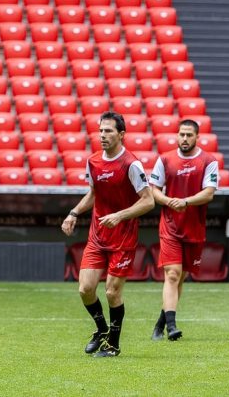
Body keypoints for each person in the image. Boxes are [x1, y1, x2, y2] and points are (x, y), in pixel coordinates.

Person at [61, 111, 155, 357]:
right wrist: (73, 213)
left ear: (121, 134)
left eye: (108, 131)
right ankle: (101, 329)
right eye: (101, 130)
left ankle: (113, 344)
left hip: (123, 238)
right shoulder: (93, 161)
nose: (102, 135)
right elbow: (93, 195)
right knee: (85, 289)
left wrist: (119, 215)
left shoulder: (131, 164)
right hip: (97, 236)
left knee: (113, 292)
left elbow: (148, 202)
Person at [148, 119, 218, 341]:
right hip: (170, 226)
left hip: (194, 228)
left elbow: (209, 193)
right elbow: (154, 190)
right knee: (172, 274)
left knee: (180, 278)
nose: (184, 139)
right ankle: (171, 326)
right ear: (177, 135)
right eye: (181, 134)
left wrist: (185, 201)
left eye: (189, 135)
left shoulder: (208, 160)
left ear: (197, 137)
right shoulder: (165, 159)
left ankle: (160, 323)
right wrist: (169, 201)